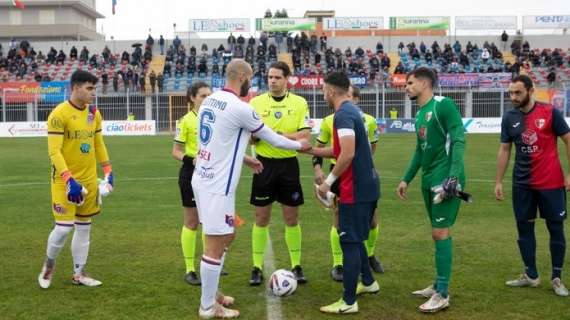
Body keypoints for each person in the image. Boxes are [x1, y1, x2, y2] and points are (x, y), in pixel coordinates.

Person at [192, 59, 310, 318]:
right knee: (215, 243)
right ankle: (208, 307)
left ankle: (213, 294)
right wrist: (303, 146)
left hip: (203, 178)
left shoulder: (211, 100)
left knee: (228, 234)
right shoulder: (240, 107)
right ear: (243, 76)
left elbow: (215, 141)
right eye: (253, 78)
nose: (254, 83)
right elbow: (274, 139)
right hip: (217, 186)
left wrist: (245, 158)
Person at [309, 72, 380, 314]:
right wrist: (313, 151)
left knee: (348, 240)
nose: (322, 95)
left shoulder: (342, 115)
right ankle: (369, 282)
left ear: (330, 91)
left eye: (323, 91)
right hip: (368, 185)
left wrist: (327, 182)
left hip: (355, 189)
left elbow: (347, 154)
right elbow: (342, 149)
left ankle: (348, 301)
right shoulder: (351, 112)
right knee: (356, 237)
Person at [396, 67, 466, 313]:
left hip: (445, 181)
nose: (406, 87)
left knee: (440, 233)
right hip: (428, 180)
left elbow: (458, 139)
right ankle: (438, 284)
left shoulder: (442, 105)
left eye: (410, 83)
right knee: (439, 232)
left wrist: (453, 177)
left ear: (425, 84)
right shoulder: (420, 114)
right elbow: (419, 150)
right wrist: (406, 179)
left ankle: (443, 293)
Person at [38, 70, 114, 289]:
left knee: (84, 228)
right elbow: (54, 153)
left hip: (90, 181)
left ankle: (78, 274)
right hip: (65, 181)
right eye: (89, 88)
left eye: (94, 88)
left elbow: (98, 143)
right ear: (75, 88)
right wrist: (69, 180)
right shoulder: (58, 114)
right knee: (63, 228)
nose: (93, 93)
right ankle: (49, 265)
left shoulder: (93, 113)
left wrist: (108, 170)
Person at [495, 74, 569, 297]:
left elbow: (568, 139)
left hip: (551, 182)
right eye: (511, 93)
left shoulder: (550, 113)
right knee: (524, 228)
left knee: (555, 228)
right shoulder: (509, 118)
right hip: (522, 184)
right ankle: (531, 274)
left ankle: (556, 277)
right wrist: (498, 180)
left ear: (530, 90)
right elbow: (505, 149)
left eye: (518, 92)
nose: (513, 97)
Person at [248, 61, 312, 286]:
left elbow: (305, 136)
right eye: (269, 77)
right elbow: (249, 136)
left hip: (288, 166)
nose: (272, 81)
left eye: (277, 77)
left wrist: (277, 134)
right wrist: (257, 137)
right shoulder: (255, 102)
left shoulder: (299, 103)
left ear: (287, 79)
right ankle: (256, 267)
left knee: (291, 218)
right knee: (261, 218)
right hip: (263, 165)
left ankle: (296, 264)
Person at [172, 82, 212, 286]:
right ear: (192, 98)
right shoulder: (185, 121)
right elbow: (176, 151)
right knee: (192, 222)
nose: (207, 99)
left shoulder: (217, 119)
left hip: (213, 175)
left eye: (209, 95)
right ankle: (190, 269)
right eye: (203, 96)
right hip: (191, 174)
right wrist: (192, 160)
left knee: (209, 221)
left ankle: (209, 264)